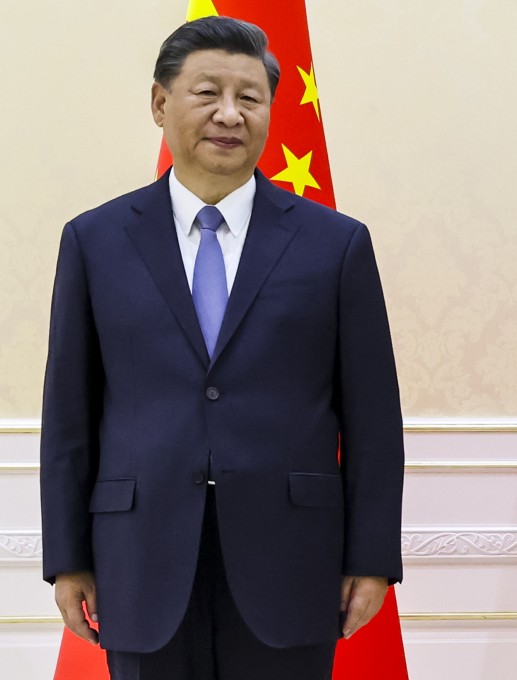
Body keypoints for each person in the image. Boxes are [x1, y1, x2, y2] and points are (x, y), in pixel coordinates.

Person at [40, 16, 404, 680]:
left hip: (292, 559)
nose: (230, 115)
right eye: (208, 93)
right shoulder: (95, 241)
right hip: (140, 556)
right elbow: (70, 415)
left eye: (251, 97)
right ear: (160, 103)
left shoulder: (335, 245)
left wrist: (372, 557)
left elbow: (374, 419)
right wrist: (67, 557)